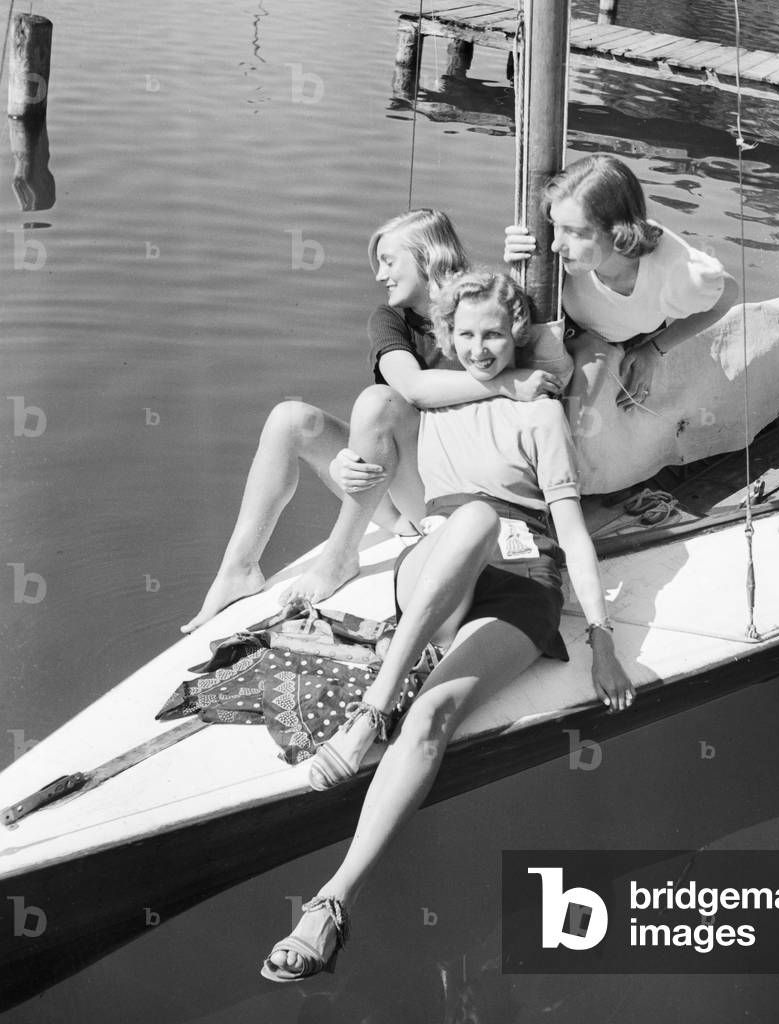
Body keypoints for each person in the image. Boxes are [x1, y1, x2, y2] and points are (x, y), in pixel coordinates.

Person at [261, 270, 635, 982]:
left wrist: (603, 638)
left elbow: (573, 533)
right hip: (438, 566)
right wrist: (346, 464)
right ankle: (375, 712)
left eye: (494, 333)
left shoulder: (539, 412)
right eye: (464, 335)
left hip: (522, 584)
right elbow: (373, 433)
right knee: (469, 518)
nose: (480, 348)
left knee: (432, 714)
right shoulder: (431, 402)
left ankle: (331, 903)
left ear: (518, 329)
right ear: (444, 337)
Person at [181, 210, 560, 633]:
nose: (380, 275)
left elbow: (546, 326)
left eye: (389, 260)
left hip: (453, 500)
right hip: (402, 494)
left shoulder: (482, 314)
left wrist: (524, 257)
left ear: (427, 257)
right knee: (291, 419)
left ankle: (340, 556)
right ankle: (239, 568)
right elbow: (412, 388)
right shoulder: (389, 319)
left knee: (377, 402)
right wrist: (507, 382)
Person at [504, 154, 738, 492]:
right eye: (555, 225)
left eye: (575, 232)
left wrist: (654, 350)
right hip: (555, 318)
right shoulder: (556, 244)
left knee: (582, 403)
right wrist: (518, 263)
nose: (556, 243)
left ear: (617, 233)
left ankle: (562, 492)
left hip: (607, 339)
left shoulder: (680, 274)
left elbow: (727, 295)